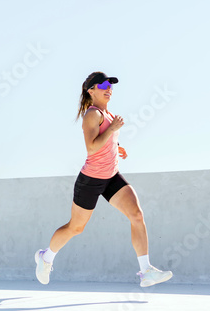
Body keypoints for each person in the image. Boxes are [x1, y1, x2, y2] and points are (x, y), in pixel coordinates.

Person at [34, 72, 173, 287]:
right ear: (91, 90)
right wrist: (113, 131)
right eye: (104, 85)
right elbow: (91, 148)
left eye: (111, 86)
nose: (109, 88)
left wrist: (117, 147)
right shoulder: (93, 114)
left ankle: (146, 271)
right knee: (76, 228)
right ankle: (46, 257)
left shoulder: (108, 115)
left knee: (136, 214)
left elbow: (104, 141)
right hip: (90, 179)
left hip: (111, 177)